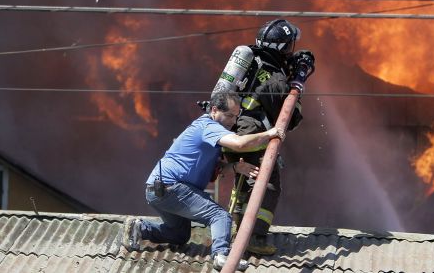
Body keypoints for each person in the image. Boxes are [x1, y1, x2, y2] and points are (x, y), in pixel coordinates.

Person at [128, 90, 285, 271]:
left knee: (179, 235)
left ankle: (139, 228)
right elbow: (240, 143)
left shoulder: (209, 134)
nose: (233, 121)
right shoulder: (208, 127)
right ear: (214, 110)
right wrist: (270, 133)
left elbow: (212, 169)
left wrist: (234, 168)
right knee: (219, 216)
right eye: (229, 116)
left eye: (236, 116)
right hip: (171, 187)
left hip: (157, 190)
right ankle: (221, 256)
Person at [220, 19, 315, 256]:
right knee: (268, 184)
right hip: (251, 134)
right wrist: (298, 81)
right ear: (283, 48)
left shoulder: (254, 63)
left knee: (243, 181)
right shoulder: (275, 78)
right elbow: (291, 117)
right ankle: (255, 237)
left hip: (232, 133)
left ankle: (236, 231)